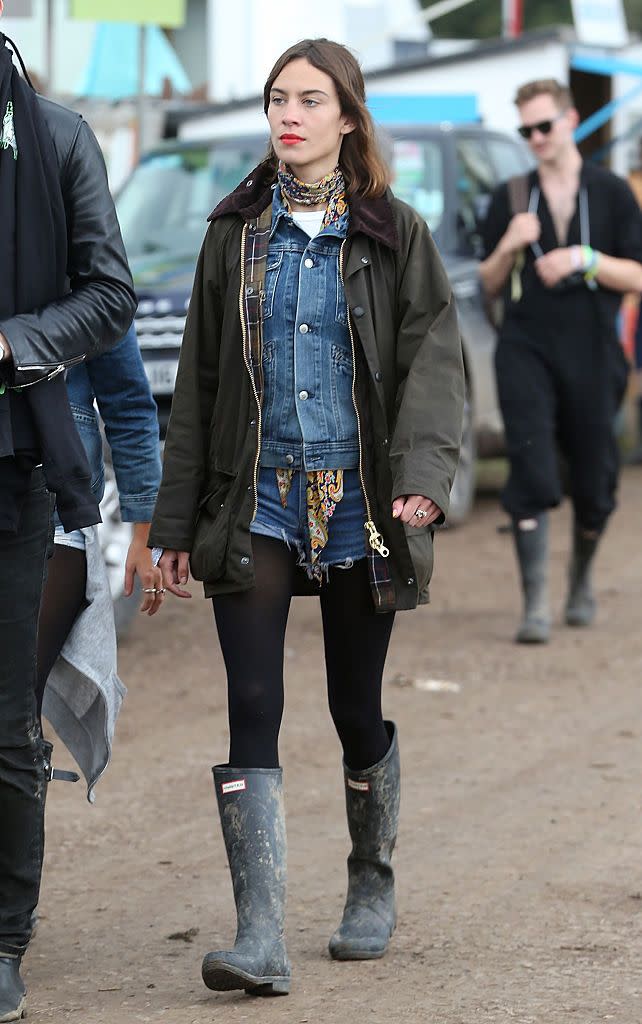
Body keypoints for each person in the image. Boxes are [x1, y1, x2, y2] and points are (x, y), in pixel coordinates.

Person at [149, 37, 464, 997]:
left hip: (359, 501)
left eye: (310, 100)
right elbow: (198, 386)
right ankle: (260, 936)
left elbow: (433, 363)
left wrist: (420, 477)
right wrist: (170, 523)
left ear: (348, 118)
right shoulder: (232, 233)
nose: (289, 115)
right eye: (278, 99)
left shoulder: (395, 234)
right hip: (261, 500)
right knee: (254, 704)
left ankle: (370, 883)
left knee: (351, 709)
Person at [0, 21, 136, 1024]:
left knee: (5, 719)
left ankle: (4, 940)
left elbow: (110, 296)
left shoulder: (54, 139)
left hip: (17, 469)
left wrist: (9, 344)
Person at [480, 79, 642, 644]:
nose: (536, 138)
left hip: (595, 349)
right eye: (526, 130)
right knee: (532, 467)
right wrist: (508, 244)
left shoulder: (613, 192)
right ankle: (534, 608)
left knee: (596, 479)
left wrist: (587, 258)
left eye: (544, 126)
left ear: (571, 120)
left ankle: (580, 580)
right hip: (526, 346)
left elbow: (638, 275)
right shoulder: (511, 195)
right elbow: (488, 283)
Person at [36, 320, 163, 800]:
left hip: (56, 515)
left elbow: (129, 405)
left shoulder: (86, 269)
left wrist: (142, 533)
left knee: (14, 706)